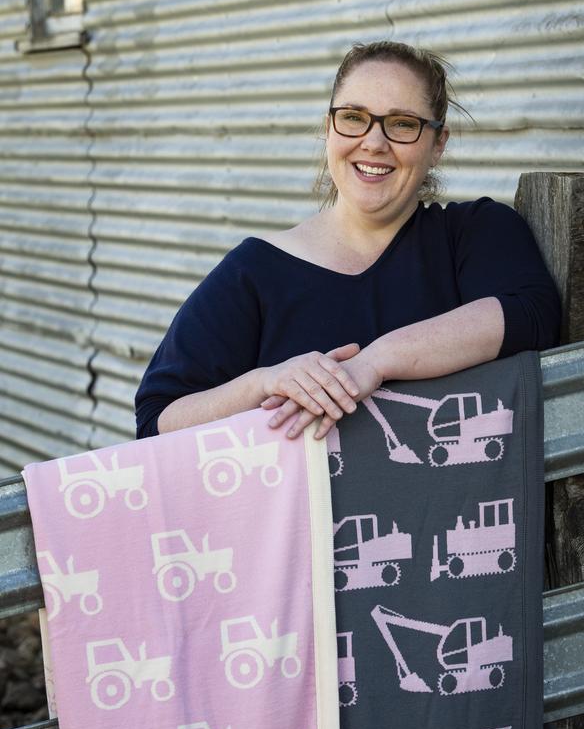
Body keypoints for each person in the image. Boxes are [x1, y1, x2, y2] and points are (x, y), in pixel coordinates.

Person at [135, 40, 561, 443]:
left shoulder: (474, 234)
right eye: (354, 117)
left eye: (402, 124)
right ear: (329, 128)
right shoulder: (255, 272)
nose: (374, 143)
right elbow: (157, 421)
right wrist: (264, 381)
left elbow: (531, 314)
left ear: (437, 145)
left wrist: (372, 364)